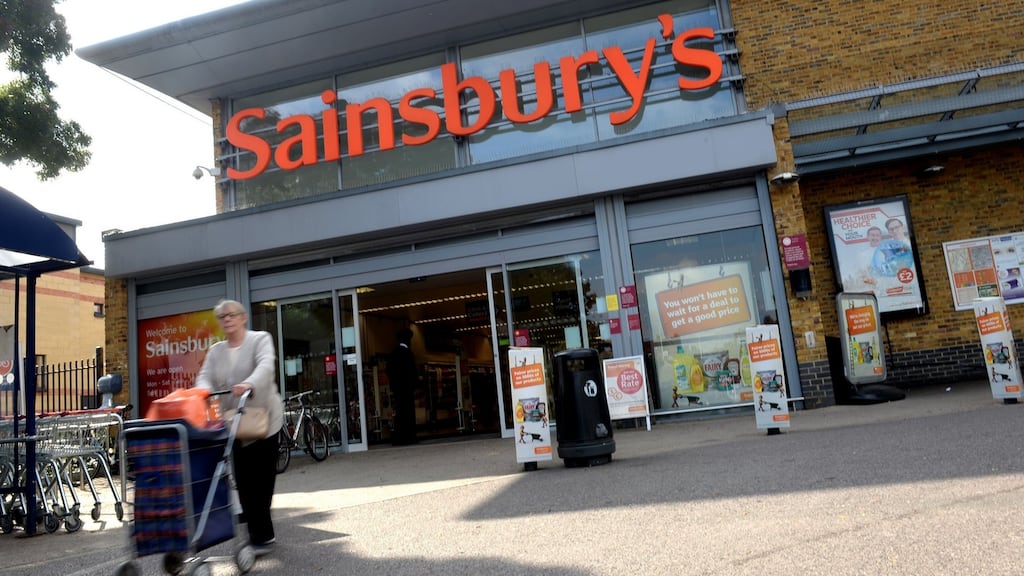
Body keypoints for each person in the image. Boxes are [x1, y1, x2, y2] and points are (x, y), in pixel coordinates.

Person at [195, 299, 283, 557]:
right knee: (243, 481)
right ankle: (255, 531)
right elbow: (204, 376)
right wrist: (203, 391)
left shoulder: (260, 339)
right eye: (222, 317)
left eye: (232, 315)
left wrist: (249, 383)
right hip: (235, 423)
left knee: (263, 480)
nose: (227, 320)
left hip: (265, 420)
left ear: (243, 318)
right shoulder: (216, 351)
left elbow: (266, 365)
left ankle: (263, 535)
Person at [386, 328, 418, 445]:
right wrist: (413, 385)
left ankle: (400, 436)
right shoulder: (408, 354)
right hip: (407, 390)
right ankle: (410, 436)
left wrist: (394, 385)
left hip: (398, 390)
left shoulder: (393, 355)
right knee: (409, 412)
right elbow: (413, 373)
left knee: (400, 413)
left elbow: (388, 371)